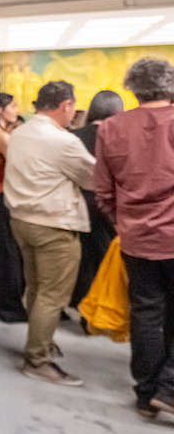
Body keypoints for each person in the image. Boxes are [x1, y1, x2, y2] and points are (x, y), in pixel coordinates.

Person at [93, 58, 174, 420]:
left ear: (132, 87)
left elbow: (103, 192)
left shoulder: (111, 127)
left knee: (145, 313)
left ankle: (145, 396)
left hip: (135, 238)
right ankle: (169, 389)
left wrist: (123, 222)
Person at [3, 80, 95, 386]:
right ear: (66, 105)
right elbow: (93, 178)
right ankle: (37, 358)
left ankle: (38, 341)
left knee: (36, 287)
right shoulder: (63, 141)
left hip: (21, 221)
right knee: (52, 295)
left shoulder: (20, 132)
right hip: (54, 224)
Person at [70, 90, 123, 309]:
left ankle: (85, 311)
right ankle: (107, 310)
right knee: (110, 260)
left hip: (79, 203)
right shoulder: (120, 135)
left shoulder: (74, 136)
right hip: (112, 205)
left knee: (85, 261)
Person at [0, 93, 28, 322]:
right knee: (7, 254)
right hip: (0, 196)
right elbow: (20, 166)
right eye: (13, 105)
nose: (17, 109)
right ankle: (9, 307)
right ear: (0, 109)